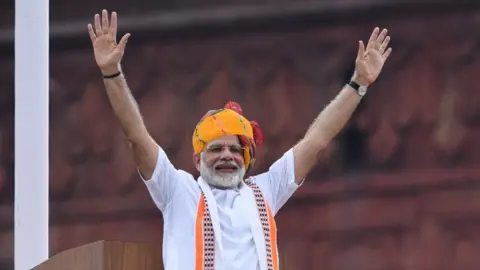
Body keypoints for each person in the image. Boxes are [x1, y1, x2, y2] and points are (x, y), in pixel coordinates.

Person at [87, 9, 392, 270]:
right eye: (216, 148)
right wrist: (112, 72)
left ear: (246, 158)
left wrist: (358, 84)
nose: (227, 155)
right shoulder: (179, 191)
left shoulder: (263, 193)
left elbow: (317, 141)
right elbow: (137, 138)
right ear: (197, 159)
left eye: (235, 149)